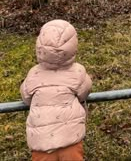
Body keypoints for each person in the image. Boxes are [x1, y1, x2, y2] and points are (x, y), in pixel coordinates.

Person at [20, 19, 92, 161]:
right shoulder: (78, 71)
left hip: (41, 141)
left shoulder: (33, 73)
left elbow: (25, 96)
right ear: (72, 46)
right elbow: (85, 91)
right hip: (70, 138)